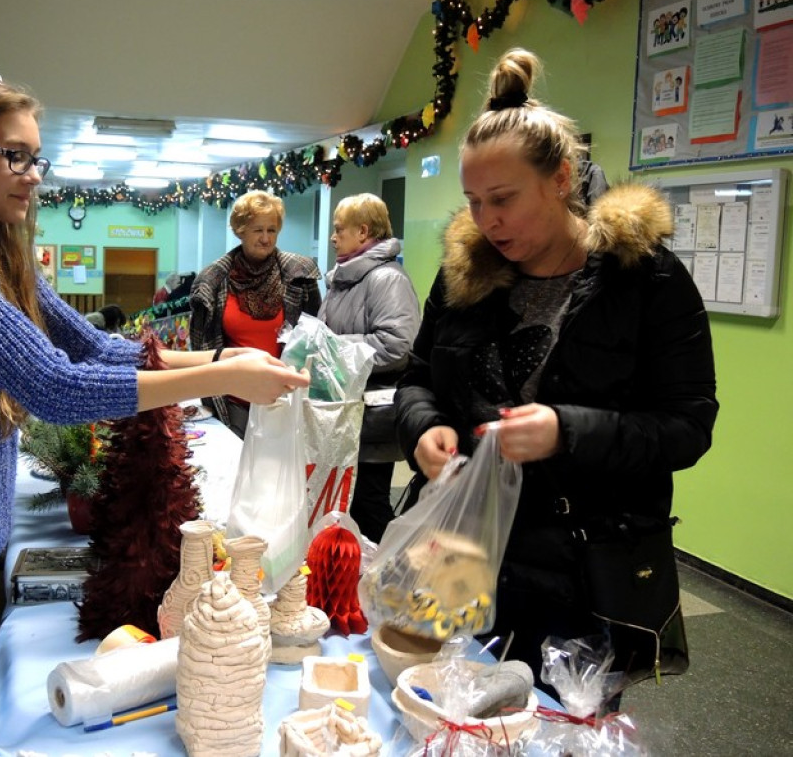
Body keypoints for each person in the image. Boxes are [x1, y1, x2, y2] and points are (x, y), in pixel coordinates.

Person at [0, 76, 309, 739]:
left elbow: (97, 349)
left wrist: (222, 360)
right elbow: (55, 386)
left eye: (36, 158)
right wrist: (222, 378)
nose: (32, 175)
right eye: (13, 156)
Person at [394, 49, 718, 692]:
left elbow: (687, 427)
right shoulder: (464, 276)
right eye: (473, 201)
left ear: (562, 179)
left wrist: (566, 431)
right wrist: (424, 427)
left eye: (503, 199)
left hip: (585, 571)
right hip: (463, 549)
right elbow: (418, 377)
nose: (487, 220)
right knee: (441, 706)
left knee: (558, 724)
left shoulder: (645, 280)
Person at [317, 193, 420, 543]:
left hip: (372, 420)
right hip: (343, 417)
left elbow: (397, 346)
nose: (333, 238)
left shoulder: (387, 279)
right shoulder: (342, 279)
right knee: (347, 508)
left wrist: (331, 349)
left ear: (363, 232)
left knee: (369, 506)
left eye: (339, 229)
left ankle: (392, 570)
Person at [189, 190, 321, 435]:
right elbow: (201, 348)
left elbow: (316, 337)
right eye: (258, 230)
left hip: (286, 397)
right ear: (240, 231)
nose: (266, 238)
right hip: (233, 398)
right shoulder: (212, 281)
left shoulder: (299, 275)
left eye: (272, 230)